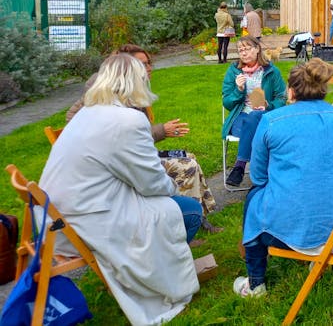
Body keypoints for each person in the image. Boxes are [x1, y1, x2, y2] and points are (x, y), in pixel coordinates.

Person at [40, 54, 200, 325]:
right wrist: (173, 186)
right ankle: (153, 280)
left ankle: (151, 269)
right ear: (136, 82)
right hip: (86, 221)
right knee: (189, 211)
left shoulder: (88, 112)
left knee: (168, 207)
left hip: (56, 218)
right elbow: (151, 183)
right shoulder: (128, 120)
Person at [233, 58, 333, 298]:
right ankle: (318, 258)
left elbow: (258, 176)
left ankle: (256, 284)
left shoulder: (271, 121)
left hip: (303, 234)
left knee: (255, 198)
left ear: (291, 91)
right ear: (322, 89)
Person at [66, 44, 220, 235]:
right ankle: (182, 224)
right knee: (186, 166)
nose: (147, 69)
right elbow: (140, 161)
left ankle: (196, 218)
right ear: (126, 69)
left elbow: (136, 141)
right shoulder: (106, 103)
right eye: (141, 64)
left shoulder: (119, 99)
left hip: (98, 187)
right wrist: (161, 131)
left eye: (148, 63)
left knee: (189, 158)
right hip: (109, 189)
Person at [222, 35, 287, 187]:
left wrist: (268, 105)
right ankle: (263, 173)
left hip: (265, 116)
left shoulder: (272, 71)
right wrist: (238, 90)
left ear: (257, 49)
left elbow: (281, 98)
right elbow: (227, 102)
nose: (243, 53)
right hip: (240, 117)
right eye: (240, 50)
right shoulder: (233, 72)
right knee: (251, 121)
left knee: (255, 116)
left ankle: (240, 166)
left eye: (247, 49)